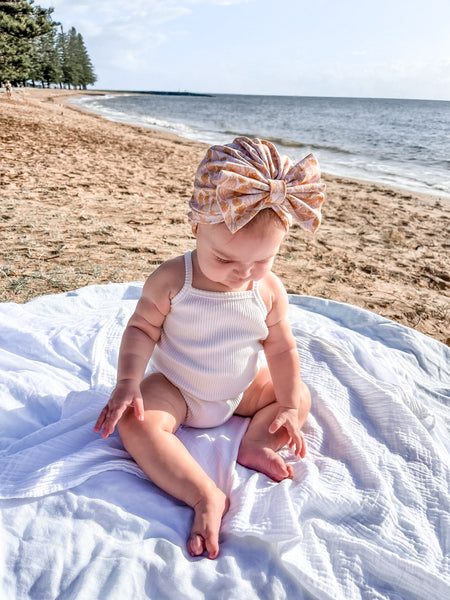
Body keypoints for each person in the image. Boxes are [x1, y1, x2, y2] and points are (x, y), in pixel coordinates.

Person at [94, 137, 325, 559]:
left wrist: (289, 404)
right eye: (224, 260)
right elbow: (142, 328)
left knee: (299, 395)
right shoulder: (172, 279)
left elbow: (281, 347)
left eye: (260, 261)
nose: (241, 275)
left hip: (241, 390)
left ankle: (256, 443)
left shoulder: (269, 291)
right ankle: (204, 494)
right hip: (179, 386)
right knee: (135, 420)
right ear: (196, 226)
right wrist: (128, 381)